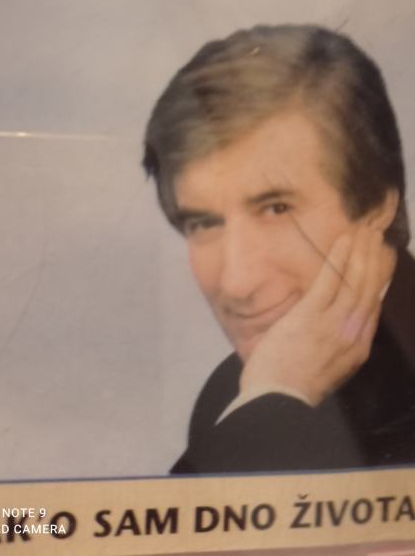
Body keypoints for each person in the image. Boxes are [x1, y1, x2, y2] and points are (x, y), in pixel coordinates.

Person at [143, 25, 415, 474]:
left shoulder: (269, 390)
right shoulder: (246, 386)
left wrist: (274, 403)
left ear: (376, 206)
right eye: (204, 223)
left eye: (276, 209)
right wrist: (274, 397)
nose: (237, 283)